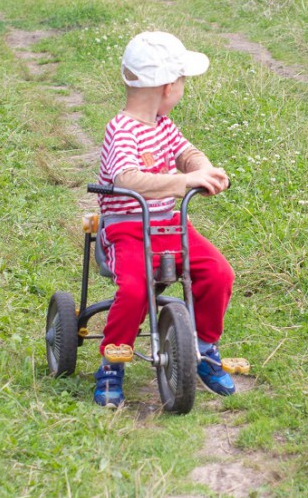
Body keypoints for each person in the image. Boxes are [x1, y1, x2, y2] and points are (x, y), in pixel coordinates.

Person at [93, 30, 235, 408]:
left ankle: (203, 347)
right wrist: (182, 181)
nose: (183, 90)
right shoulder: (121, 129)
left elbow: (187, 153)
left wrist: (205, 168)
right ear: (169, 87)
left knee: (218, 273)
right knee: (136, 290)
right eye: (184, 83)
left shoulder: (163, 125)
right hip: (126, 232)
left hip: (170, 229)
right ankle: (112, 361)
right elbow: (127, 178)